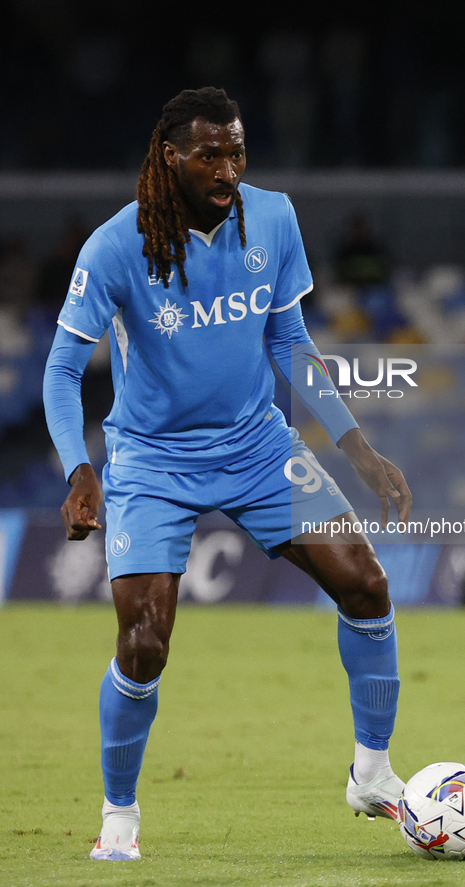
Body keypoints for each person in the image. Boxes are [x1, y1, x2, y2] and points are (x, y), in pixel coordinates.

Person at [43, 87, 412, 861]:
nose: (226, 167)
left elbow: (291, 341)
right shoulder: (117, 244)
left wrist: (355, 446)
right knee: (144, 643)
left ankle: (372, 773)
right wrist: (81, 467)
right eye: (208, 153)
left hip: (256, 447)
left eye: (236, 150)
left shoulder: (271, 217)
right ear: (169, 157)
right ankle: (119, 813)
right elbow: (62, 368)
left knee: (367, 583)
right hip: (152, 461)